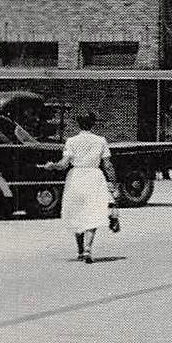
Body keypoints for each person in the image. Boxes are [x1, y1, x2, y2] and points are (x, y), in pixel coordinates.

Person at [39, 111, 117, 264]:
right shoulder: (101, 141)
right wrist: (113, 183)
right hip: (94, 177)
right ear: (93, 123)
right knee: (93, 212)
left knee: (77, 213)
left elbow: (63, 164)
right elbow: (108, 165)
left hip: (76, 178)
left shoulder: (71, 141)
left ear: (78, 123)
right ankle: (88, 249)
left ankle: (80, 250)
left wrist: (53, 165)